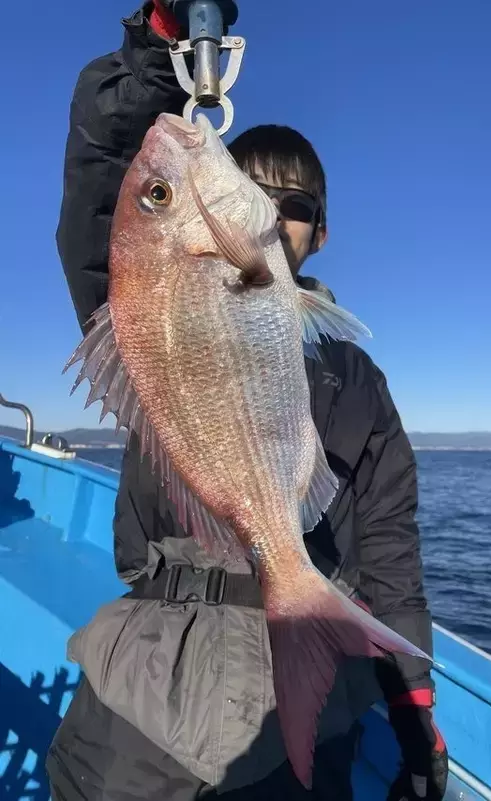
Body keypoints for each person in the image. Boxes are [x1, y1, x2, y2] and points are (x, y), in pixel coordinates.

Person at [47, 3, 449, 800]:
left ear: (318, 233)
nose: (274, 208)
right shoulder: (145, 303)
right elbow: (102, 186)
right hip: (146, 685)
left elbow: (393, 562)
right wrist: (157, 46)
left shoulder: (359, 382)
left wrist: (416, 722)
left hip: (292, 691)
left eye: (295, 206)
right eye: (258, 188)